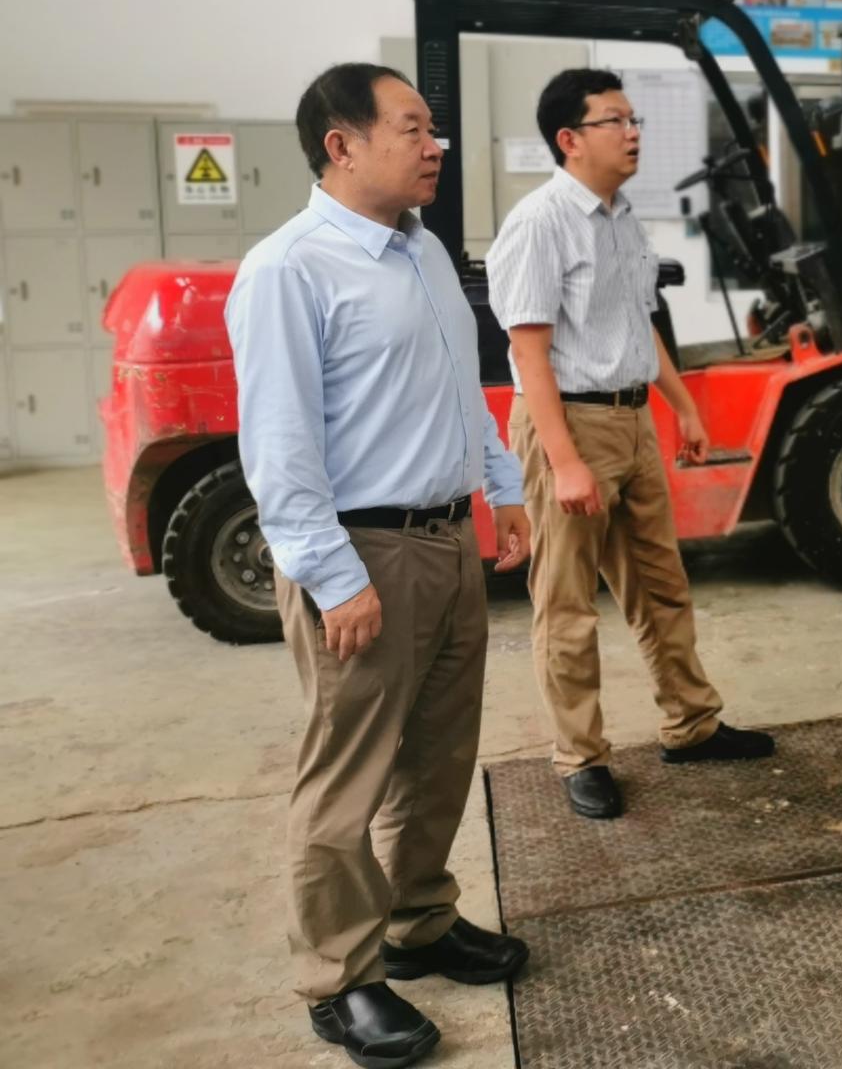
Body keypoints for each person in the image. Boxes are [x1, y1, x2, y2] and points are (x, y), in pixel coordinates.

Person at [227, 63, 535, 1069]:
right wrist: (333, 576)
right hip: (362, 553)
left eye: (432, 127)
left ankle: (419, 921)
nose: (434, 144)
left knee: (439, 755)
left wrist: (501, 487)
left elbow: (460, 387)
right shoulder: (290, 268)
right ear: (342, 144)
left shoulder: (424, 250)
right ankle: (340, 979)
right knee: (347, 775)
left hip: (444, 540)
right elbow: (280, 446)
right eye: (412, 127)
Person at [487, 68, 775, 822]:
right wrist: (566, 462)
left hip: (634, 421)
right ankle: (580, 757)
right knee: (567, 605)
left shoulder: (622, 218)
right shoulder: (540, 223)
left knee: (661, 584)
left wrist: (683, 408)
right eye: (614, 120)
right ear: (570, 139)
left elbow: (638, 321)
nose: (633, 132)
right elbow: (529, 354)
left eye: (633, 118)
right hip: (568, 424)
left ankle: (692, 724)